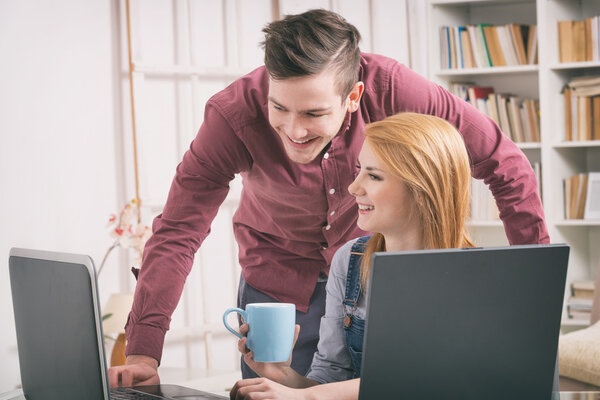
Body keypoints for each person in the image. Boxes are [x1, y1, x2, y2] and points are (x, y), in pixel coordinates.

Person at [108, 9, 548, 387]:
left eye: (314, 113)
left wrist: (533, 292)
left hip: (374, 277)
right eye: (279, 108)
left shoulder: (395, 90)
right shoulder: (231, 116)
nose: (294, 131)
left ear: (353, 96)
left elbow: (503, 162)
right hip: (275, 287)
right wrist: (144, 352)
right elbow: (179, 229)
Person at [230, 112, 475, 399]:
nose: (353, 187)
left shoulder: (474, 275)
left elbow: (427, 381)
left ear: (422, 189)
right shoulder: (349, 260)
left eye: (373, 175)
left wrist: (303, 398)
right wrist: (282, 375)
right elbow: (330, 379)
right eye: (359, 170)